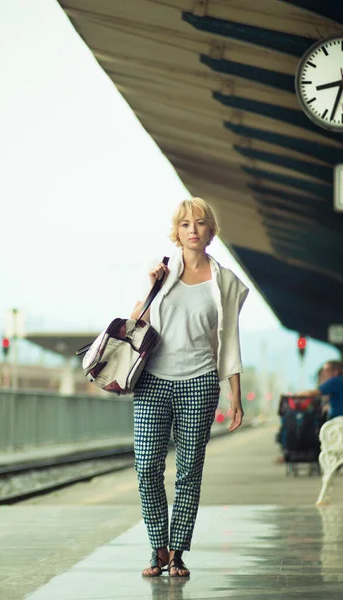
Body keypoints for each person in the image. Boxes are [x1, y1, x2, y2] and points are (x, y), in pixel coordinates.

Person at [129, 197, 249, 578]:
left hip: (199, 383)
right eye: (185, 224)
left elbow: (229, 339)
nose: (192, 229)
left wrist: (235, 395)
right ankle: (157, 546)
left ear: (211, 232)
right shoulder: (161, 272)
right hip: (153, 382)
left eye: (199, 223)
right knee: (147, 466)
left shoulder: (225, 281)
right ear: (176, 232)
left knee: (188, 471)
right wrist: (150, 289)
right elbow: (136, 323)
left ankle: (177, 553)